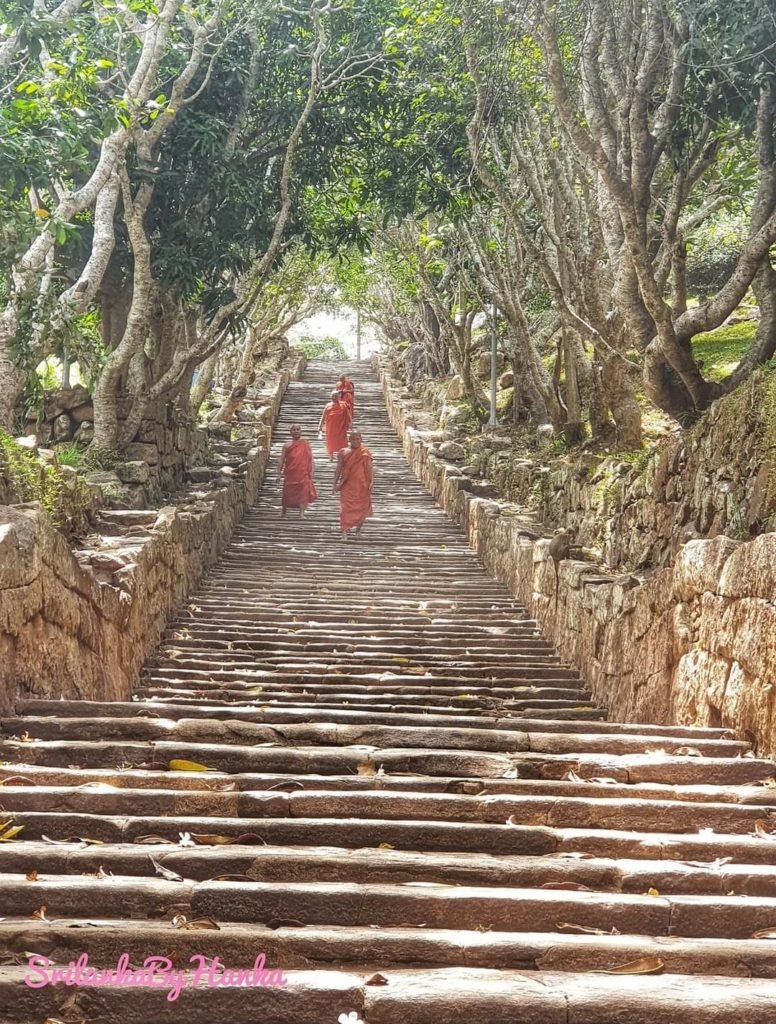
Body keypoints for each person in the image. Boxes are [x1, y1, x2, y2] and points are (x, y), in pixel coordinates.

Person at [333, 430, 373, 541]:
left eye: (358, 439)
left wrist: (371, 482)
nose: (356, 441)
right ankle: (344, 532)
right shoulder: (343, 452)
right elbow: (338, 468)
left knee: (363, 508)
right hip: (347, 485)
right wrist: (334, 483)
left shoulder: (365, 452)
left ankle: (358, 530)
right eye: (354, 439)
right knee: (345, 508)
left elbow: (369, 468)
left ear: (361, 440)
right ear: (349, 440)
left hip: (362, 484)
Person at [278, 424, 317, 518]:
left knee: (304, 491)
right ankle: (283, 511)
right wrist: (278, 473)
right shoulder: (287, 445)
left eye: (298, 429)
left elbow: (311, 457)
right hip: (291, 473)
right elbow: (282, 459)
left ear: (301, 431)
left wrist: (313, 470)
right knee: (287, 492)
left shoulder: (305, 443)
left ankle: (301, 513)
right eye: (294, 430)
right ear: (290, 432)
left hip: (303, 472)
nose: (296, 431)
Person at [318, 390, 352, 462]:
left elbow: (348, 415)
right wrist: (320, 425)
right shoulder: (328, 405)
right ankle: (331, 456)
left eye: (335, 396)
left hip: (341, 427)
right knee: (330, 441)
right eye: (333, 396)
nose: (334, 397)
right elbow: (323, 416)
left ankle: (342, 455)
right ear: (330, 397)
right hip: (331, 427)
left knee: (342, 441)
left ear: (338, 396)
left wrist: (351, 423)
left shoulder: (343, 405)